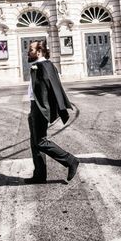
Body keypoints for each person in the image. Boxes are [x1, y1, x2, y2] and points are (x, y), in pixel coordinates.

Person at [24, 41, 79, 184]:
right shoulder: (41, 66)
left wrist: (44, 109)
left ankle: (70, 160)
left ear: (39, 51)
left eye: (31, 49)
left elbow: (53, 89)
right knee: (35, 142)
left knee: (41, 141)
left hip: (40, 107)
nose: (28, 52)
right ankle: (39, 175)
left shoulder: (44, 66)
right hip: (35, 106)